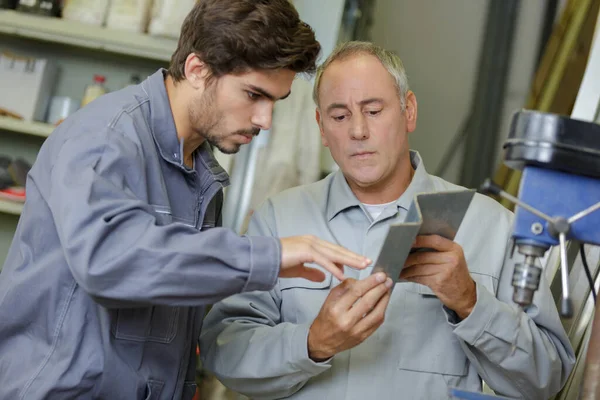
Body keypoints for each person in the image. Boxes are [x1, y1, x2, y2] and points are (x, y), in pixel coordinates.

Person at [0, 2, 372, 399]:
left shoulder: (200, 172)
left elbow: (170, 300)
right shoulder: (106, 139)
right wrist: (268, 257)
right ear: (197, 70)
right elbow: (108, 259)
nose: (265, 120)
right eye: (253, 95)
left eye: (274, 102)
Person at [199, 41, 576, 400]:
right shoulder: (279, 220)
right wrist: (312, 343)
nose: (358, 131)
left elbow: (546, 380)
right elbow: (224, 350)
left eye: (374, 110)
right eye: (340, 115)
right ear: (321, 127)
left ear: (408, 110)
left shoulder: (491, 227)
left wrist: (471, 302)